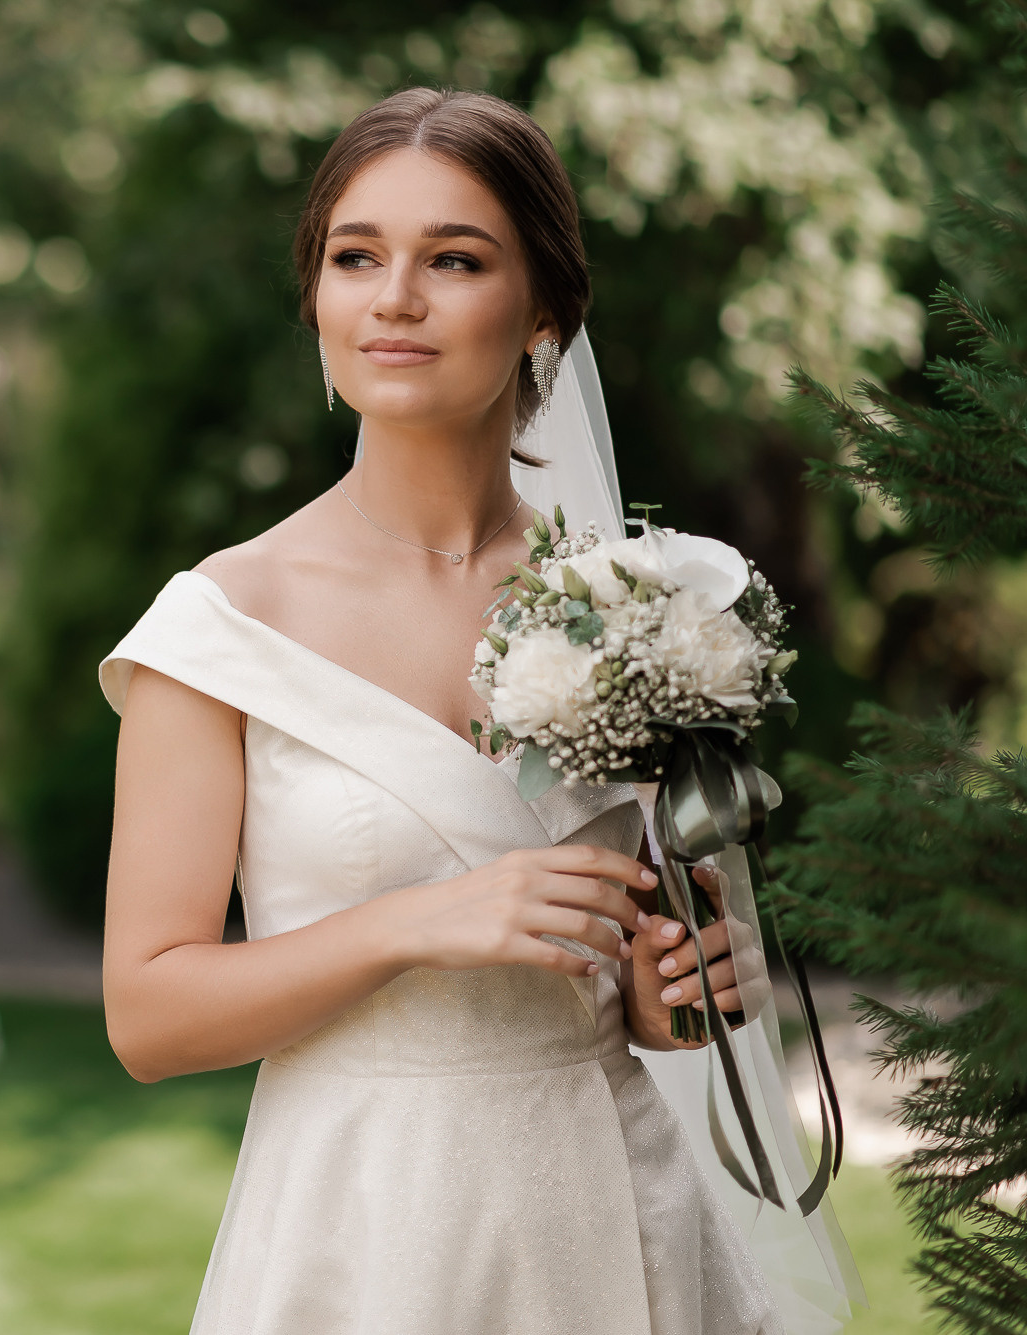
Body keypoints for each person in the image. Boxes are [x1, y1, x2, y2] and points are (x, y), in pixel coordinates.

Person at [100, 89, 855, 1332]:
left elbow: (646, 985)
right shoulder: (217, 627)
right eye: (356, 258)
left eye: (452, 260)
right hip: (366, 1230)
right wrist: (416, 923)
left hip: (623, 1212)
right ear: (316, 301)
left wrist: (676, 989)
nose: (393, 298)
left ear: (542, 315)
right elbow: (146, 1015)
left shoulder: (634, 609)